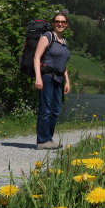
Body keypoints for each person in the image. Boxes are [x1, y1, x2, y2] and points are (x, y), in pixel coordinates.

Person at [33, 12, 71, 150]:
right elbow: (37, 57)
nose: (60, 24)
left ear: (67, 24)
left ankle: (49, 139)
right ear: (53, 23)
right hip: (47, 77)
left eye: (63, 22)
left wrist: (67, 80)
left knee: (56, 110)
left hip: (59, 78)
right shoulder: (47, 36)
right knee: (46, 109)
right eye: (57, 21)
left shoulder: (64, 41)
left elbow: (62, 63)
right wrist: (38, 77)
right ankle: (42, 141)